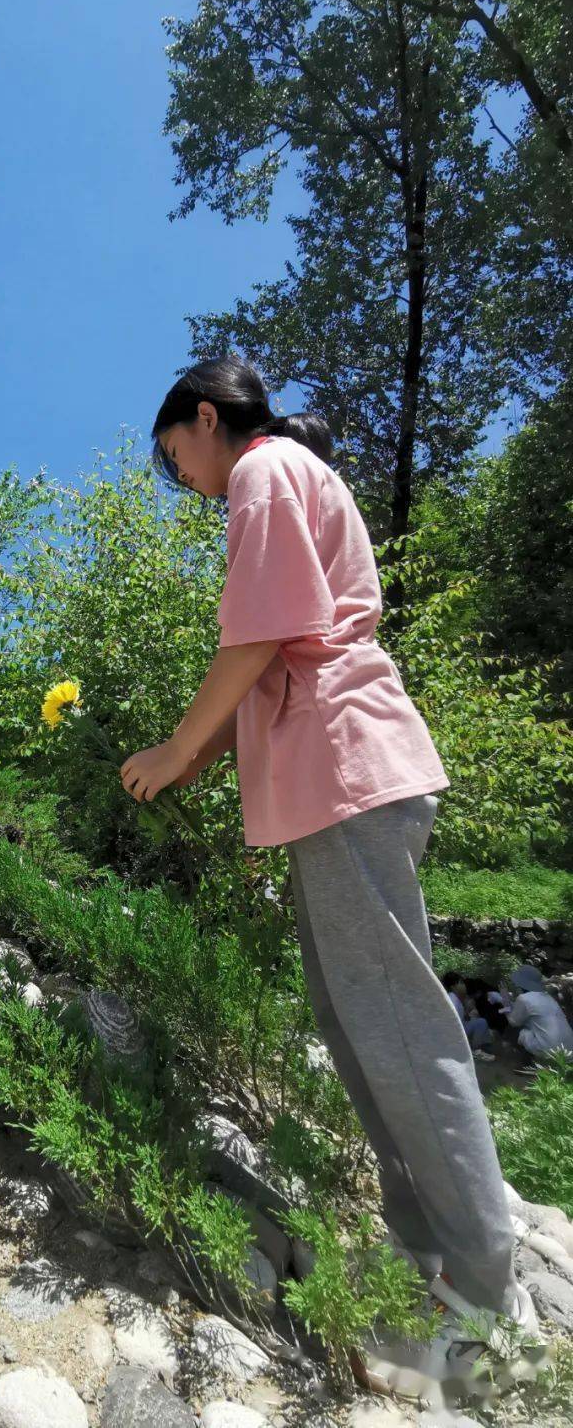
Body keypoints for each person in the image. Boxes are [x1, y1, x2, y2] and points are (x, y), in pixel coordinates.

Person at [118, 357, 545, 1401]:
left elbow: (260, 635)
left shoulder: (266, 470)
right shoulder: (292, 477)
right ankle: (433, 1254)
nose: (183, 480)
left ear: (207, 420)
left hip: (350, 777)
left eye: (177, 456)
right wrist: (201, 757)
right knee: (360, 1027)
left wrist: (175, 751)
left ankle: (485, 1295)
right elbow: (271, 658)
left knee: (397, 1027)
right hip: (335, 788)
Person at [503, 964, 573, 1075]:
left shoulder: (524, 998)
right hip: (568, 1050)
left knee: (514, 1030)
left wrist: (505, 1002)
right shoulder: (548, 997)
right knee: (531, 1028)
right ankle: (545, 1063)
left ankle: (529, 1066)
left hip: (549, 1049)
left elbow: (513, 1021)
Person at [440, 971, 496, 1061]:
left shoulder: (454, 998)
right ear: (453, 987)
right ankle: (476, 1051)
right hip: (454, 1033)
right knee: (481, 1022)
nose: (464, 986)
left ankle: (482, 1048)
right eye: (461, 983)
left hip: (456, 1031)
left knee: (477, 1020)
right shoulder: (452, 999)